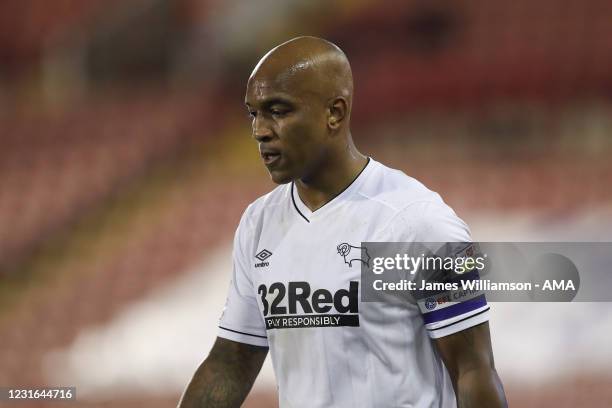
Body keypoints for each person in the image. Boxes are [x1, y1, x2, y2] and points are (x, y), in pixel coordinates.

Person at [178, 36, 507, 408]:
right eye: (254, 113)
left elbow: (473, 371)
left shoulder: (415, 223)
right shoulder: (259, 224)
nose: (260, 131)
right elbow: (231, 362)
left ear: (334, 112)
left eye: (278, 111)